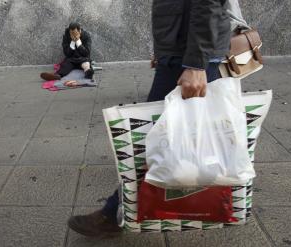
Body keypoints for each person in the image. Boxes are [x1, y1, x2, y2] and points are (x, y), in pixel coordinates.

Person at [67, 0, 231, 237]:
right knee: (155, 141)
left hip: (187, 55)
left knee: (146, 141)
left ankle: (113, 214)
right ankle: (117, 212)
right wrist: (164, 50)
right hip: (177, 52)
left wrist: (196, 63)